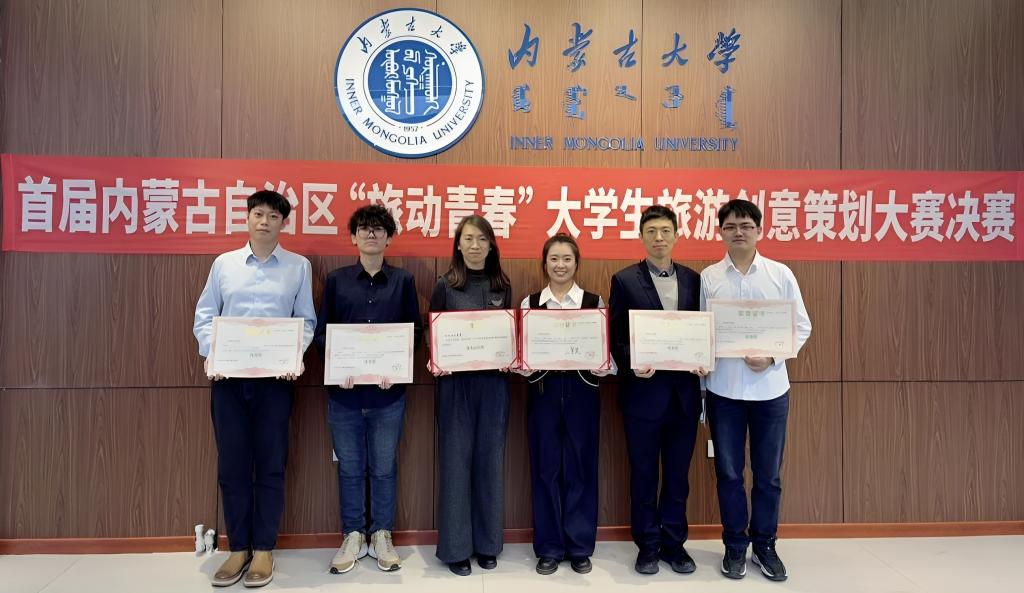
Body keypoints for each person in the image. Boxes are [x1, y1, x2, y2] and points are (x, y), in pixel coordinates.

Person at [193, 190, 316, 588]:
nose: (264, 221)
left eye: (273, 216)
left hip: (275, 383)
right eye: (258, 214)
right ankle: (238, 548)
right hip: (228, 381)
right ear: (247, 218)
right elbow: (205, 317)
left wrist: (293, 355)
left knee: (270, 464)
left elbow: (306, 321)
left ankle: (263, 548)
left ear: (284, 223)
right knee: (232, 465)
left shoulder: (298, 267)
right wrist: (212, 354)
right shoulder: (224, 265)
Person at [697, 199, 811, 582]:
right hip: (723, 392)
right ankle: (734, 545)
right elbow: (701, 332)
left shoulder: (780, 274)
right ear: (721, 232)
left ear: (759, 230)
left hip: (771, 392)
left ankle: (765, 545)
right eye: (730, 226)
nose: (739, 232)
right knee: (729, 474)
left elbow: (801, 326)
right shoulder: (709, 277)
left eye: (746, 225)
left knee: (768, 475)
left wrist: (773, 356)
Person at [313, 204, 422, 574]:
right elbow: (322, 334)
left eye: (378, 229)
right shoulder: (337, 280)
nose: (371, 234)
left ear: (389, 238)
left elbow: (415, 333)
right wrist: (339, 366)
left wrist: (396, 366)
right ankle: (353, 534)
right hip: (344, 394)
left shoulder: (403, 281)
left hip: (388, 394)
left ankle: (381, 534)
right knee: (349, 468)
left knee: (384, 467)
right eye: (364, 228)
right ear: (353, 237)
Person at [608, 205, 702, 576]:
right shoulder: (624, 280)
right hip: (643, 395)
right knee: (644, 475)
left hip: (684, 397)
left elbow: (703, 331)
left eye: (665, 231)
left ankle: (675, 544)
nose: (659, 238)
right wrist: (632, 361)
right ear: (642, 237)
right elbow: (615, 337)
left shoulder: (695, 280)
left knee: (678, 477)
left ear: (677, 235)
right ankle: (647, 545)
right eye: (651, 231)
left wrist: (702, 356)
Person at [518, 234, 612, 576]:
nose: (560, 265)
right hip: (543, 392)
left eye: (567, 259)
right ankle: (549, 547)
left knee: (581, 468)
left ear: (577, 263)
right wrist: (521, 363)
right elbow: (522, 354)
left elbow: (605, 354)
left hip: (583, 392)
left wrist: (603, 363)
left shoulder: (594, 301)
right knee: (546, 469)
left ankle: (579, 546)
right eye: (554, 259)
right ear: (544, 264)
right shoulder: (530, 303)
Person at [429, 215, 512, 576]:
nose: (475, 245)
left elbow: (510, 334)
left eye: (481, 239)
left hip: (493, 386)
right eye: (468, 239)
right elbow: (432, 334)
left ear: (491, 245)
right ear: (458, 245)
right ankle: (456, 548)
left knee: (490, 463)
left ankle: (488, 544)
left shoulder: (502, 285)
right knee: (455, 464)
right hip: (455, 387)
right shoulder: (445, 285)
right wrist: (436, 358)